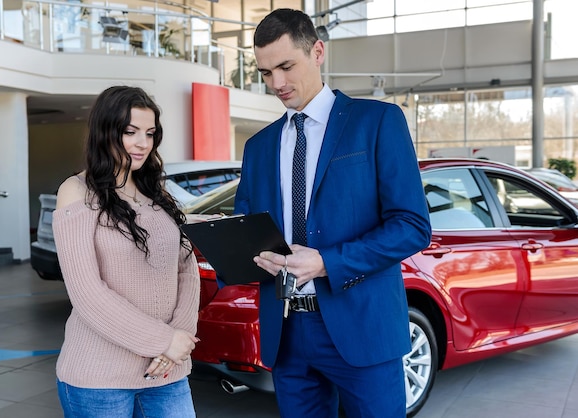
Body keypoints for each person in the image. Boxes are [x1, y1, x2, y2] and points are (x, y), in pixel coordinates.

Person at [234, 9, 432, 418]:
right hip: (288, 331)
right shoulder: (258, 146)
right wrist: (237, 252)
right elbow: (248, 227)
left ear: (318, 51)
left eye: (286, 66)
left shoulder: (376, 122)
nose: (277, 84)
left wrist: (326, 262)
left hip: (362, 326)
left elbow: (412, 226)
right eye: (266, 73)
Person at [52, 85, 200, 418]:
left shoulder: (156, 193)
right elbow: (87, 293)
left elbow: (186, 270)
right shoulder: (76, 191)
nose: (142, 143)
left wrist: (181, 337)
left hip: (168, 371)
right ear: (105, 131)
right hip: (99, 377)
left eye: (149, 133)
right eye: (130, 132)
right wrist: (164, 340)